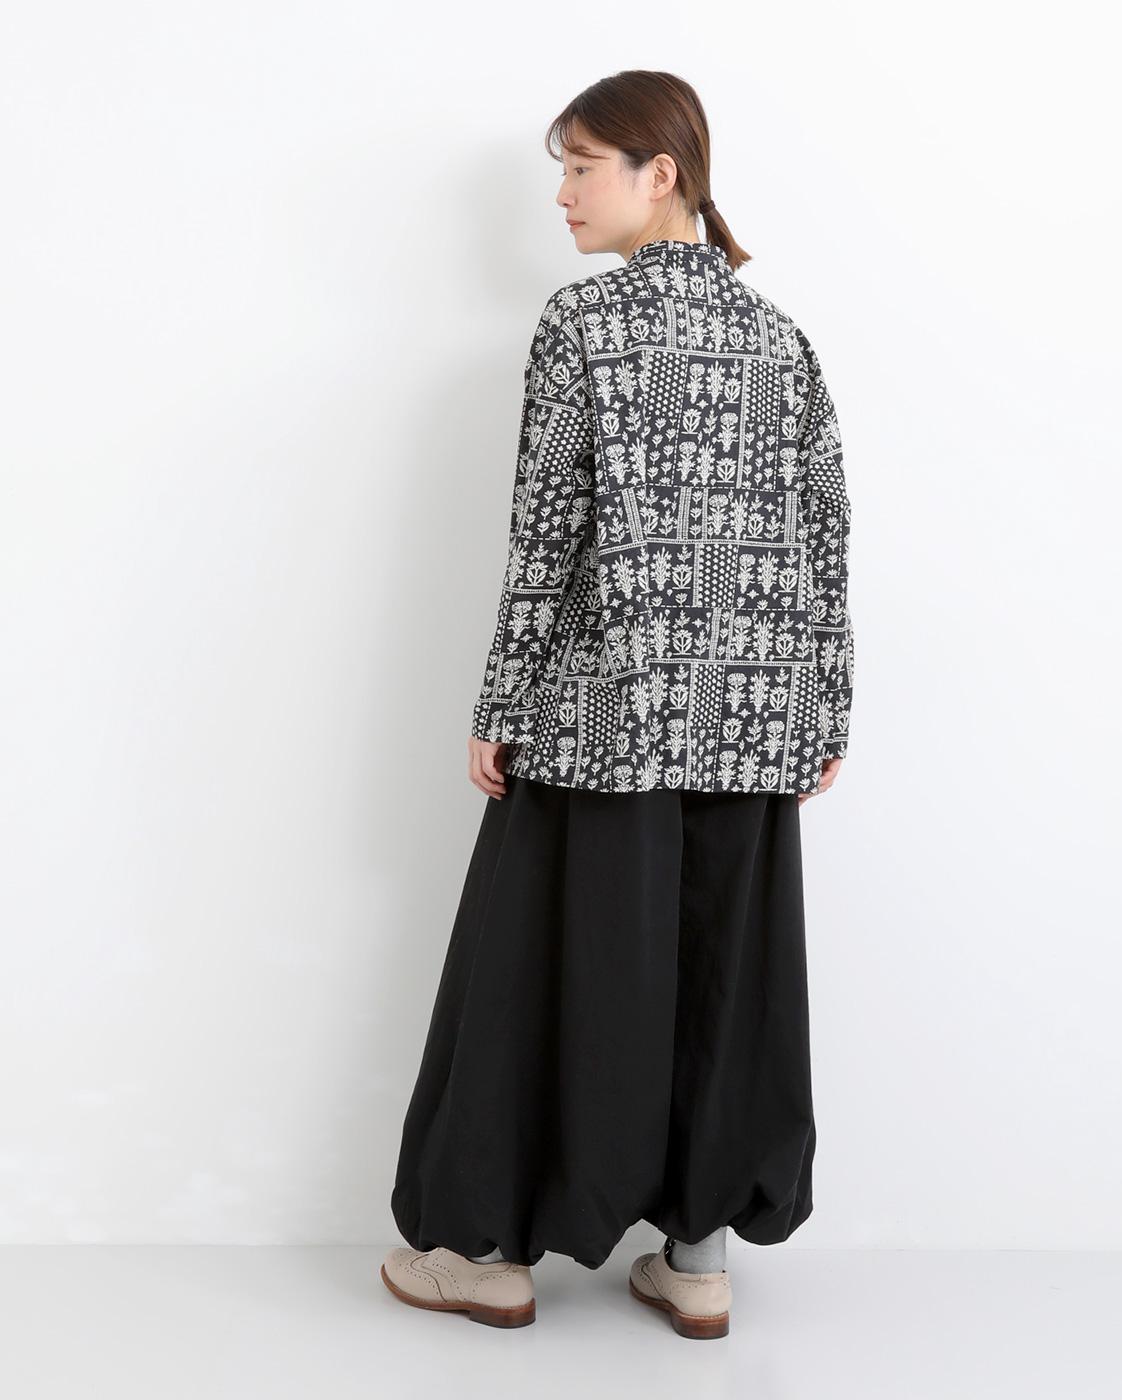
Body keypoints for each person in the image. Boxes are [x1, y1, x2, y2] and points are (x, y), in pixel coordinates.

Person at [381, 69, 854, 1340]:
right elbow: (825, 535)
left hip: (606, 713)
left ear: (663, 172)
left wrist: (501, 699)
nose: (563, 192)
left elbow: (546, 532)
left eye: (582, 165)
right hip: (752, 720)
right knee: (725, 985)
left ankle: (488, 1255)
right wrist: (824, 707)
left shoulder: (583, 324)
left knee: (540, 970)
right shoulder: (780, 338)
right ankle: (697, 1260)